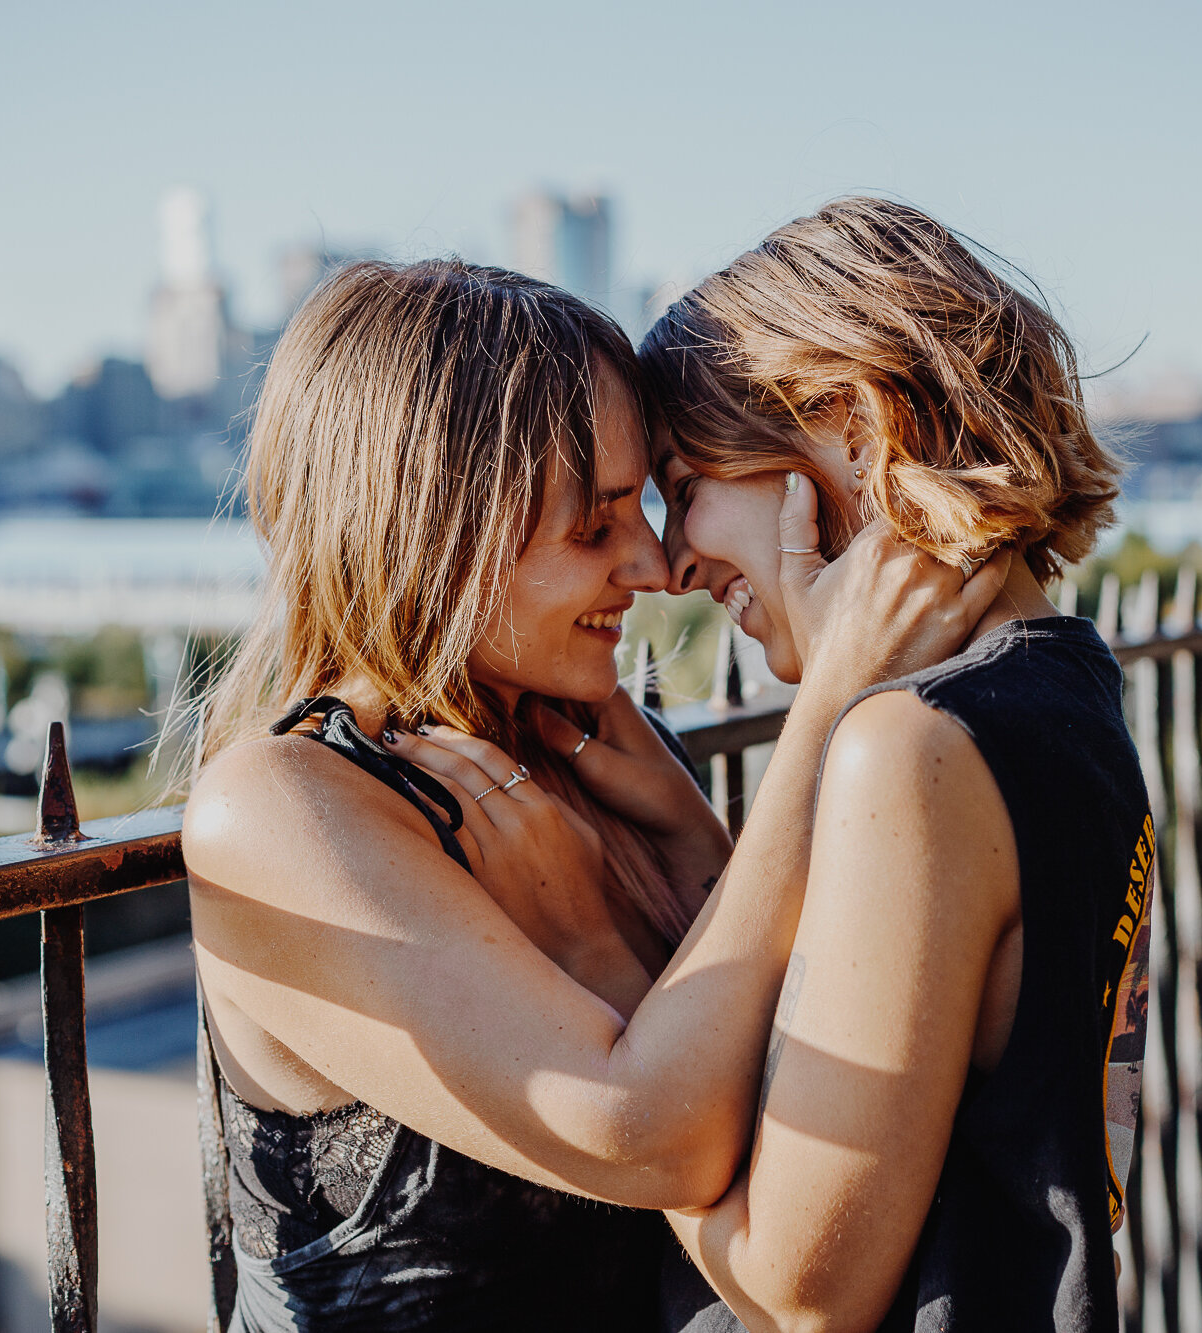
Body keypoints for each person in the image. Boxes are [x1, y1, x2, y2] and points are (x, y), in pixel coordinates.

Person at [183, 257, 997, 1331]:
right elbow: (658, 1136)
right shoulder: (282, 810)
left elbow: (783, 1073)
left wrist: (688, 837)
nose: (656, 567)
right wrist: (831, 703)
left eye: (647, 508)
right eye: (593, 523)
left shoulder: (596, 746)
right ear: (432, 533)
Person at [617, 196, 1154, 1332]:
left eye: (684, 479)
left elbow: (801, 1288)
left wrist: (639, 1106)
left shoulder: (905, 752)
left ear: (851, 424)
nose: (666, 559)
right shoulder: (1061, 680)